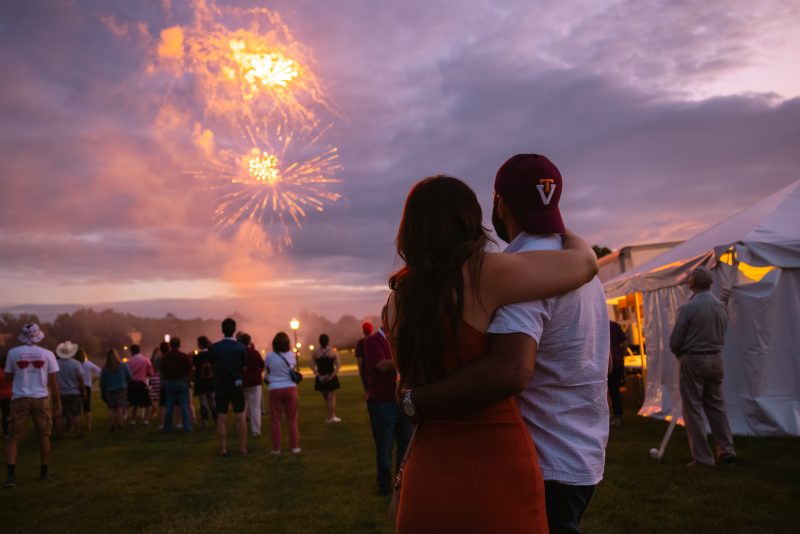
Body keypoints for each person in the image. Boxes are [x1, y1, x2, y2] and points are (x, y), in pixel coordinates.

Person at [387, 172, 599, 532]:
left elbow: (404, 384)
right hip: (496, 460)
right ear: (469, 219)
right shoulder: (485, 273)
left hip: (428, 465)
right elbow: (585, 265)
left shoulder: (396, 301)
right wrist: (565, 234)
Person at [669, 265, 737, 466]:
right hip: (716, 358)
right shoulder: (720, 306)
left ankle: (702, 457)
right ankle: (726, 449)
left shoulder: (688, 308)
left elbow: (675, 340)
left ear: (693, 283)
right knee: (716, 406)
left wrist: (681, 354)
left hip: (693, 359)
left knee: (693, 409)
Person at [3, 323, 61, 488]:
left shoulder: (13, 353)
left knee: (13, 437)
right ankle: (44, 473)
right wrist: (57, 402)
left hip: (20, 397)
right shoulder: (48, 354)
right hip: (41, 398)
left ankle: (11, 476)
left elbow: (7, 378)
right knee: (44, 436)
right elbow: (53, 382)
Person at [363, 311, 411, 496]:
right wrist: (409, 359)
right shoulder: (373, 341)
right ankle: (383, 486)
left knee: (406, 445)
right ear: (387, 320)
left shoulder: (401, 341)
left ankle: (401, 484)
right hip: (381, 402)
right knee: (385, 447)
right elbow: (382, 366)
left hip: (401, 398)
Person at [209, 318, 247, 456]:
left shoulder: (215, 348)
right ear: (234, 330)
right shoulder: (241, 347)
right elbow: (244, 366)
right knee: (241, 417)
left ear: (222, 330)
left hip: (221, 385)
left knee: (222, 418)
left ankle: (223, 449)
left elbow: (212, 364)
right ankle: (243, 448)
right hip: (236, 385)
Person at [265, 332, 301, 454]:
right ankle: (295, 446)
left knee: (275, 420)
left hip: (274, 388)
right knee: (292, 419)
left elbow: (268, 372)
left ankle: (276, 448)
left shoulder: (270, 356)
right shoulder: (291, 355)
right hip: (290, 387)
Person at [160, 337, 194, 432]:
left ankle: (167, 427)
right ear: (179, 345)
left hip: (169, 383)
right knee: (184, 406)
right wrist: (189, 379)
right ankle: (187, 427)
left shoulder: (165, 357)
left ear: (170, 345)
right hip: (182, 382)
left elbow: (162, 370)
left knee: (169, 407)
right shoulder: (183, 356)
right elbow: (190, 369)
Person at [54, 341, 86, 435]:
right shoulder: (76, 364)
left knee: (60, 415)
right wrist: (83, 390)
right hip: (74, 392)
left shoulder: (55, 364)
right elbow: (80, 379)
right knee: (75, 414)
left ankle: (59, 434)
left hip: (60, 393)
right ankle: (77, 432)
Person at [99, 348, 132, 432]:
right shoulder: (123, 365)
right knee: (120, 408)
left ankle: (112, 425)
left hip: (110, 390)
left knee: (111, 409)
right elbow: (129, 377)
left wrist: (103, 391)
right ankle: (120, 425)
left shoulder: (105, 369)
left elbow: (102, 382)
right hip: (121, 389)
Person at [311, 334, 342, 423]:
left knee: (326, 398)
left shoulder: (315, 352)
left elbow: (311, 365)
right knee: (331, 397)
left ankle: (330, 416)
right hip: (330, 376)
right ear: (328, 341)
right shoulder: (333, 351)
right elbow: (338, 365)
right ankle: (331, 417)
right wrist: (332, 376)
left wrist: (318, 375)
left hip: (320, 377)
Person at [239, 333, 265, 437]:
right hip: (255, 382)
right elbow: (262, 365)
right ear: (249, 341)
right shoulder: (255, 353)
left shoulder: (239, 353)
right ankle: (256, 431)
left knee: (242, 408)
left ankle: (242, 429)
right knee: (255, 408)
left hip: (242, 383)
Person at [126, 344, 155, 426]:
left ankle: (132, 420)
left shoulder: (129, 361)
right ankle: (146, 420)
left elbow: (127, 374)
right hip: (141, 383)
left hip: (132, 384)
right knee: (148, 404)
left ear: (132, 351)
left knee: (134, 404)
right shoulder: (145, 360)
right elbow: (150, 373)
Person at [608, 320, 629, 426]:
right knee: (615, 390)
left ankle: (612, 416)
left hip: (605, 363)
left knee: (606, 391)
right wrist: (622, 355)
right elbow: (625, 342)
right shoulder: (615, 325)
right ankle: (617, 416)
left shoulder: (597, 325)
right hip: (617, 362)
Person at [194, 336, 216, 429]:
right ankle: (216, 420)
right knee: (213, 402)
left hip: (201, 382)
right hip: (211, 381)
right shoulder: (212, 354)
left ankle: (205, 422)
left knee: (203, 403)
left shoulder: (197, 356)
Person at [77, 348, 100, 430]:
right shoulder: (89, 364)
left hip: (78, 387)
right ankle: (88, 425)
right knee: (87, 406)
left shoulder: (76, 364)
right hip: (87, 386)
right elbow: (99, 371)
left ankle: (77, 424)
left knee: (78, 406)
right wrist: (92, 381)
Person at [354, 322, 373, 391]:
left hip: (365, 369)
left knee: (367, 389)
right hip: (375, 368)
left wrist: (360, 370)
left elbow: (359, 359)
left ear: (363, 330)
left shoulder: (361, 342)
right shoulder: (376, 340)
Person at [0, 353, 11, 437]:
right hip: (7, 396)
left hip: (4, 395)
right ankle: (7, 432)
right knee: (6, 414)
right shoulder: (9, 372)